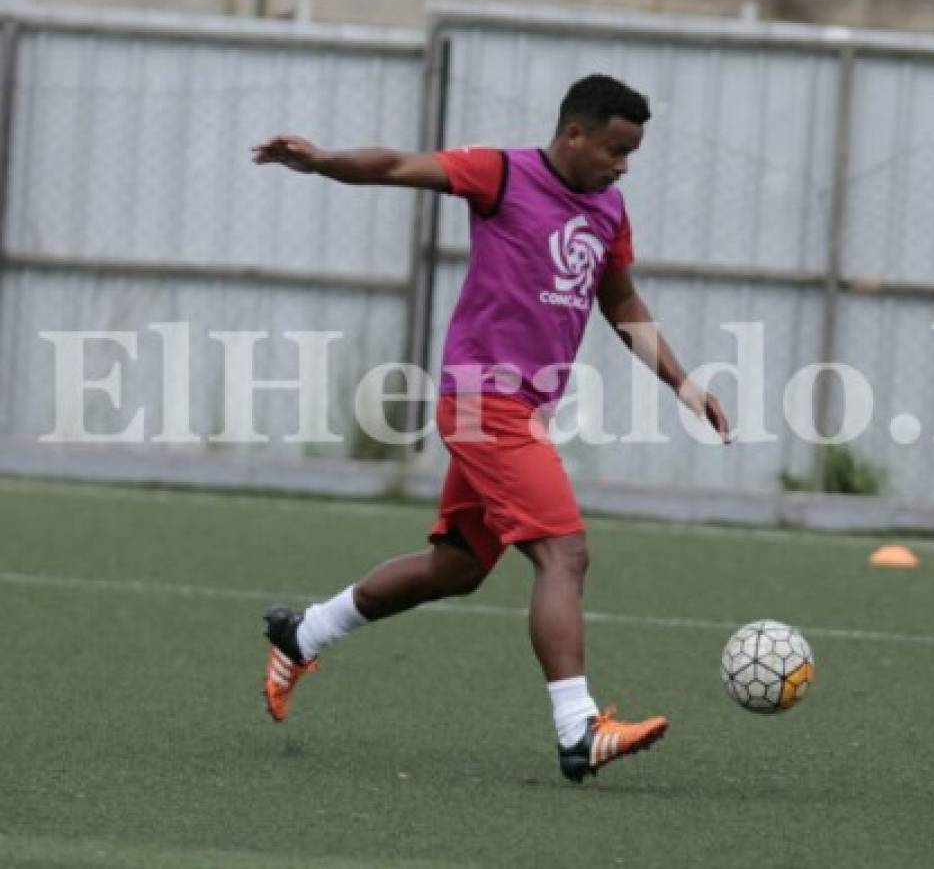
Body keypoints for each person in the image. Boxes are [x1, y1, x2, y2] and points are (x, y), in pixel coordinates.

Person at [251, 74, 731, 783]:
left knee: (459, 569)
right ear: (573, 133)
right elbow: (394, 166)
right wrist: (322, 162)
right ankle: (578, 730)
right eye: (615, 148)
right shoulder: (501, 174)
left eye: (631, 153)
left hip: (522, 412)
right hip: (482, 403)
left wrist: (681, 381)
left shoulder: (608, 209)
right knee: (562, 555)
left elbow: (621, 299)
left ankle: (304, 631)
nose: (623, 165)